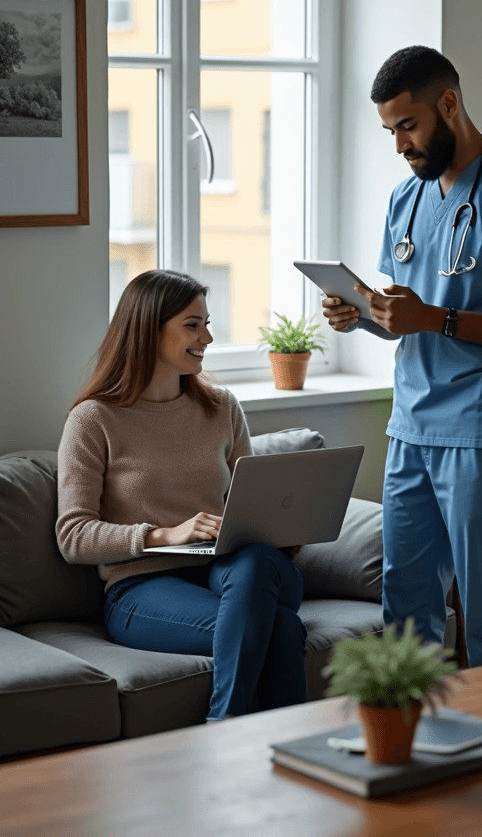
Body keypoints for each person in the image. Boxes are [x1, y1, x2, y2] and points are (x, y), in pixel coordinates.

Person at [323, 45, 482, 667]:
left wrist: (435, 317)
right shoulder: (404, 199)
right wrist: (364, 317)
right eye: (389, 131)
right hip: (411, 425)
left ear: (449, 104)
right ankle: (420, 754)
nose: (400, 144)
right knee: (404, 613)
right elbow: (410, 319)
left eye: (408, 126)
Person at [56, 269, 307, 720]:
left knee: (262, 561)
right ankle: (259, 742)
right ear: (148, 330)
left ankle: (225, 734)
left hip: (231, 570)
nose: (207, 336)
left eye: (206, 323)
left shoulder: (222, 406)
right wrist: (165, 534)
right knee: (282, 627)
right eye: (192, 325)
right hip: (141, 588)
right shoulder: (93, 420)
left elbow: (251, 499)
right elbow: (74, 536)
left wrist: (283, 524)